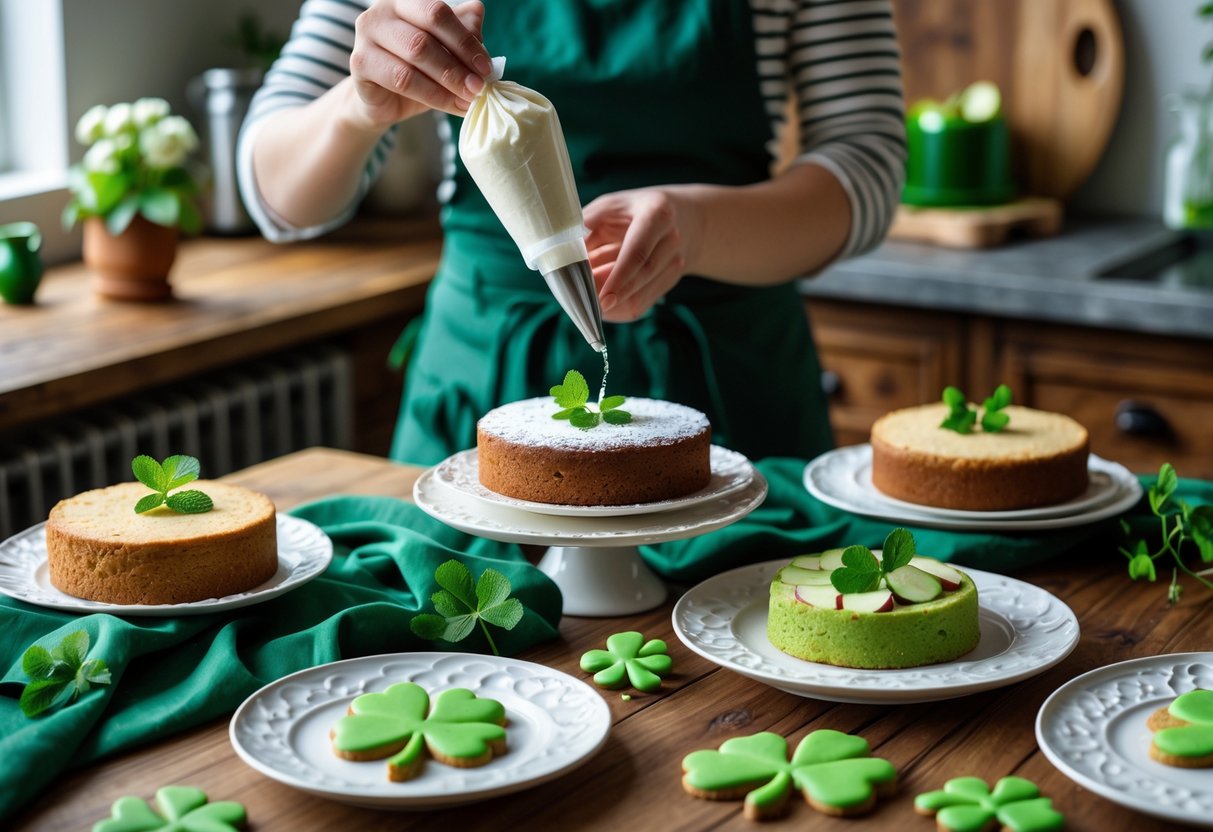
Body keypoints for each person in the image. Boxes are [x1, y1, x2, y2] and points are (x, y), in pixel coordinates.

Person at [238, 0, 905, 465]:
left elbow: (868, 164)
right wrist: (359, 107)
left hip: (730, 372)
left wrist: (699, 227)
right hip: (484, 362)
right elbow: (277, 194)